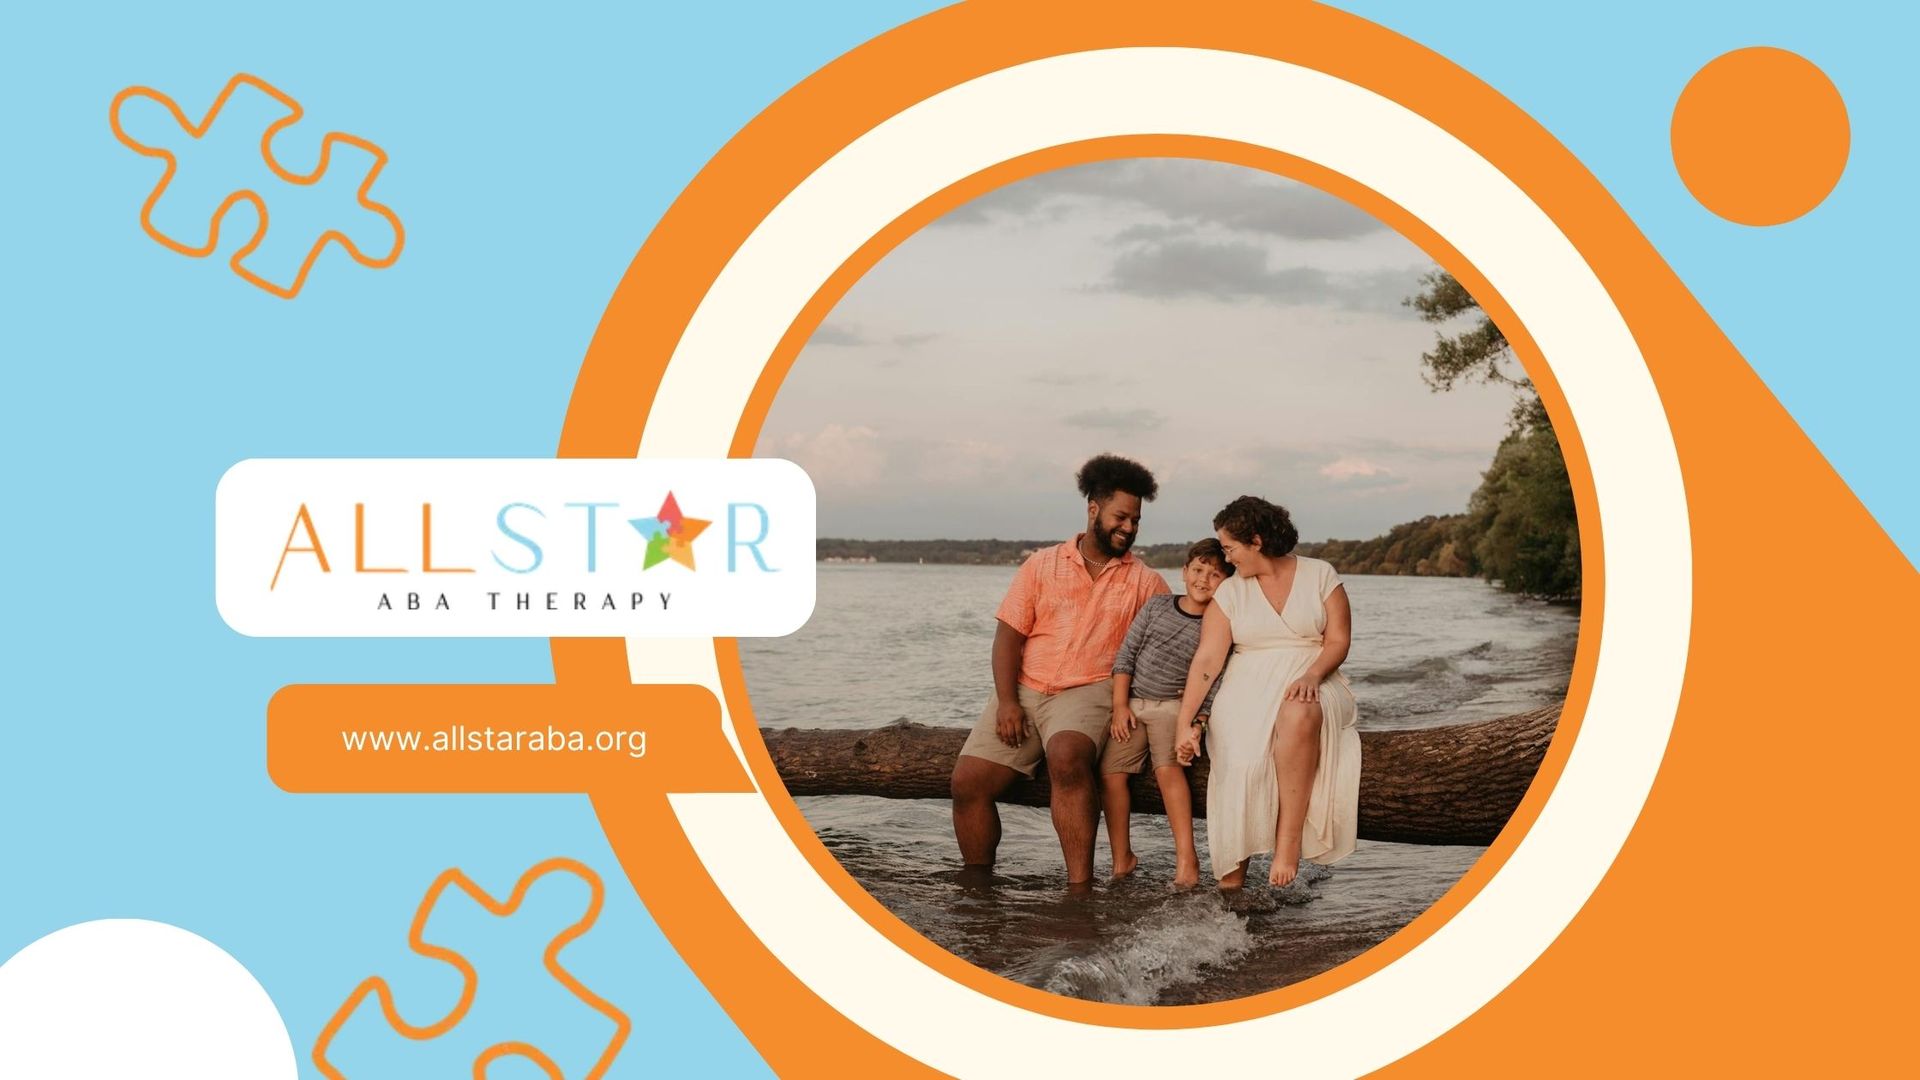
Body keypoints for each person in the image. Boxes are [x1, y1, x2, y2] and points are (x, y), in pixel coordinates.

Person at [950, 454, 1169, 885]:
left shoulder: (1146, 583)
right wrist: (1008, 702)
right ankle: (977, 888)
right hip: (1026, 688)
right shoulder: (1041, 565)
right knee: (967, 782)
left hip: (1089, 690)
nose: (1129, 527)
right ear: (1093, 509)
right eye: (1121, 516)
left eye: (1136, 520)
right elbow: (1008, 637)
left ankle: (1078, 888)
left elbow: (1174, 640)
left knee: (1067, 756)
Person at [1174, 496, 1360, 889]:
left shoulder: (1320, 574)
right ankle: (1231, 878)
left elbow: (1339, 640)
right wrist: (1185, 723)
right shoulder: (1230, 592)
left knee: (1298, 710)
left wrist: (1313, 676)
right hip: (1247, 684)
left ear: (1256, 541)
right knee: (1240, 758)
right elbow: (1207, 661)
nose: (1226, 557)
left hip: (1315, 673)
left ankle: (1287, 843)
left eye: (1229, 547)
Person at [1100, 538, 1232, 887]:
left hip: (1174, 709)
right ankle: (1122, 857)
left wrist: (1197, 723)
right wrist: (1118, 706)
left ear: (1227, 582)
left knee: (1167, 772)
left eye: (1215, 574)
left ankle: (1187, 859)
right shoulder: (1157, 606)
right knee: (1112, 774)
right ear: (1185, 571)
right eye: (1198, 570)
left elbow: (1214, 679)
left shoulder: (1218, 625)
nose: (1204, 580)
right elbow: (1125, 656)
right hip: (1134, 705)